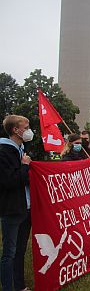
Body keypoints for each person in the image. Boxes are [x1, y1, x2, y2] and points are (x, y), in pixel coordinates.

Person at [0, 115, 33, 291]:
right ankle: (8, 287)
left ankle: (19, 285)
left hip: (25, 207)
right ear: (15, 130)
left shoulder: (20, 149)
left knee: (20, 251)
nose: (29, 130)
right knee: (9, 253)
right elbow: (9, 181)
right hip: (12, 209)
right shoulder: (4, 151)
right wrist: (25, 166)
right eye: (26, 127)